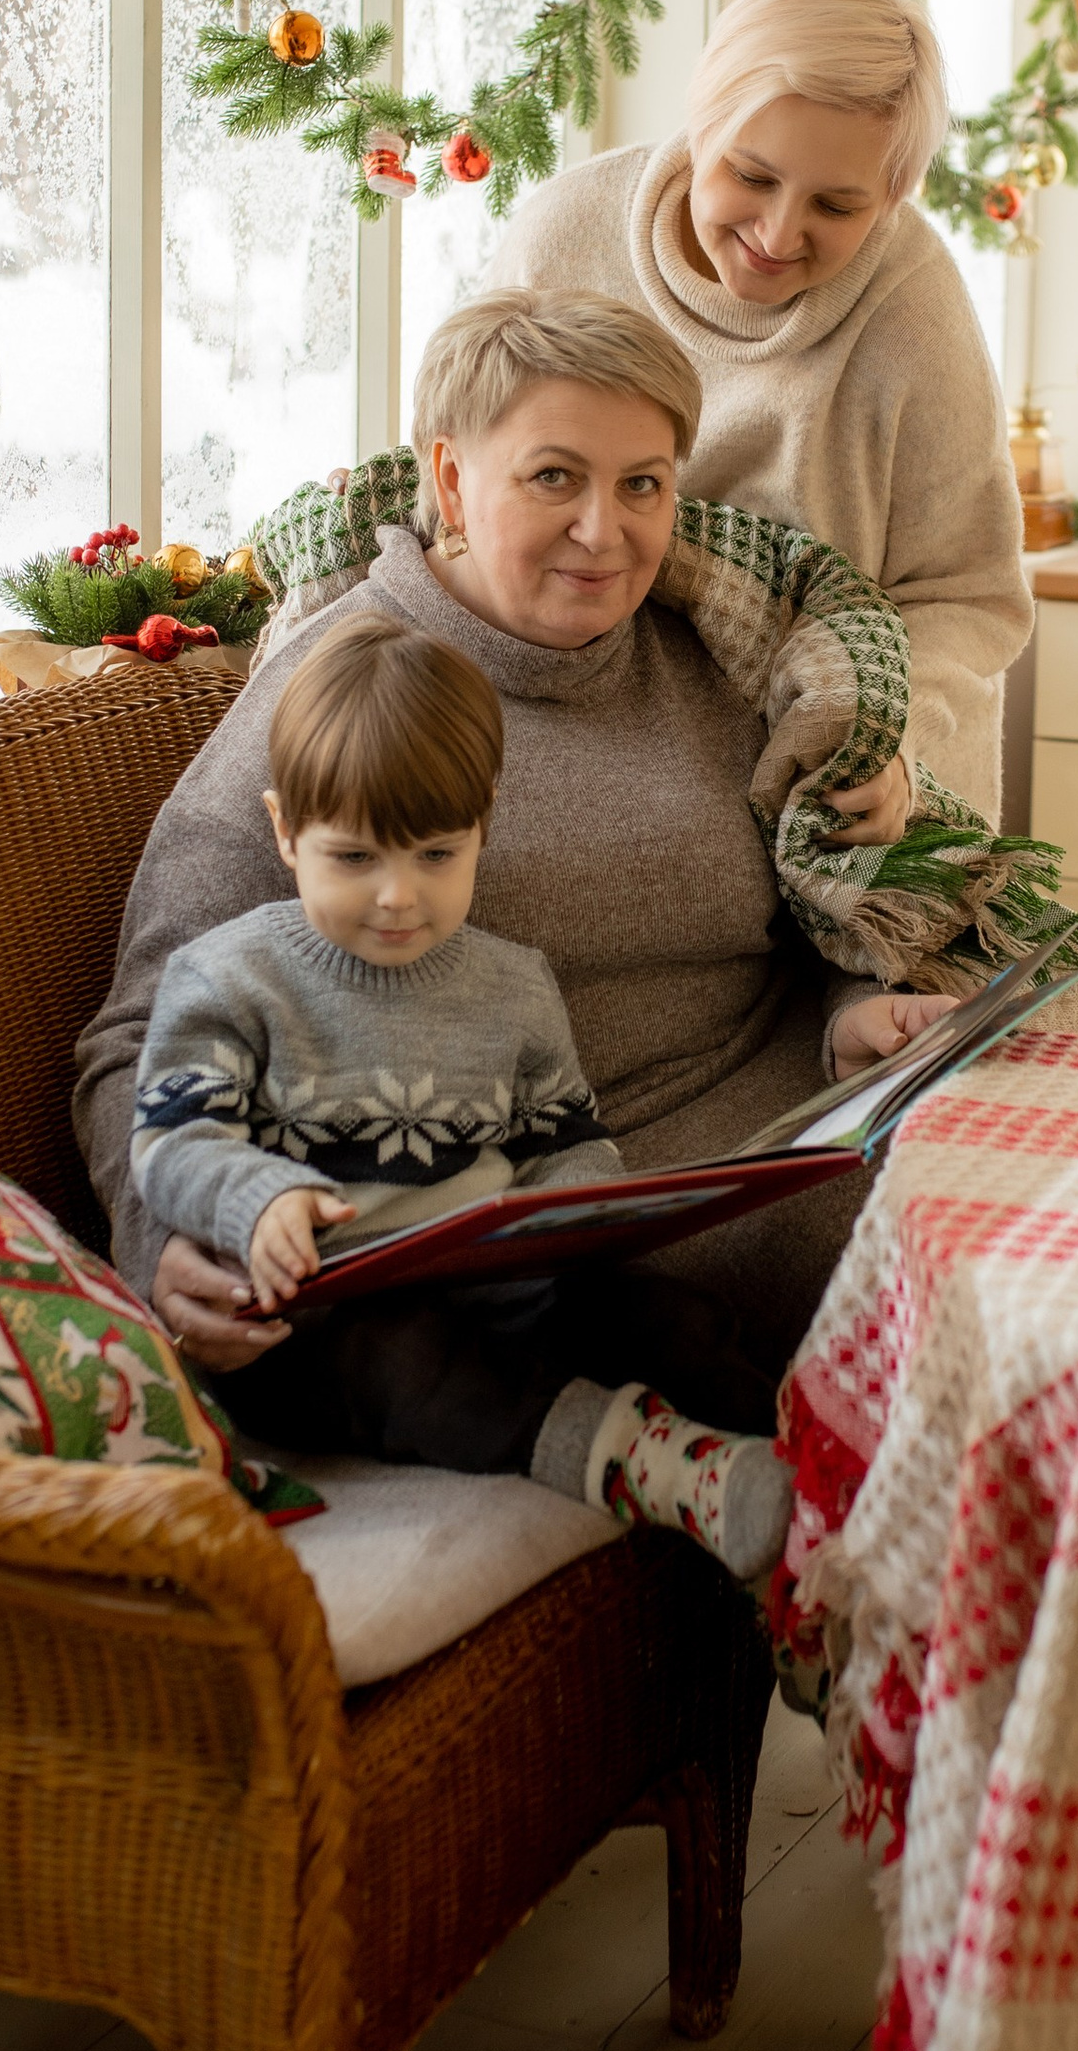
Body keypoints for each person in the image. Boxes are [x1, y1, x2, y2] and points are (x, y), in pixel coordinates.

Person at [74, 287, 958, 1396]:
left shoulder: (713, 658)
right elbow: (135, 1033)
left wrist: (848, 1013)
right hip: (570, 1233)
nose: (606, 531)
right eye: (554, 478)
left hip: (811, 1133)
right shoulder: (349, 690)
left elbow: (804, 909)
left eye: (642, 484)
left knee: (1049, 1215)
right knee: (954, 1299)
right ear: (449, 477)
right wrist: (161, 1241)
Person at [130, 603, 793, 1580]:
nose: (398, 895)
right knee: (415, 1366)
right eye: (352, 857)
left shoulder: (512, 984)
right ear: (285, 831)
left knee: (670, 1319)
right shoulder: (230, 980)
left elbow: (561, 1136)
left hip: (504, 1295)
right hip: (317, 1336)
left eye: (436, 855)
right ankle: (638, 1465)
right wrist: (254, 1197)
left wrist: (585, 1208)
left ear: (483, 822)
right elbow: (169, 1145)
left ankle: (802, 1486)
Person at [489, 0, 1031, 823]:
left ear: (893, 196)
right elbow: (469, 485)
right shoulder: (562, 240)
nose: (778, 234)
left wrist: (891, 742)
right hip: (598, 763)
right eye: (753, 176)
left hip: (853, 795)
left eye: (838, 206)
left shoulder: (916, 316)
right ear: (703, 123)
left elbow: (969, 596)